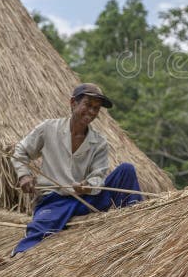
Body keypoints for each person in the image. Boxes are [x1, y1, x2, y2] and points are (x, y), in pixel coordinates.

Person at [10, 83, 143, 256]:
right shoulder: (48, 129)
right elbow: (20, 151)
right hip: (55, 200)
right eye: (87, 105)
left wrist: (88, 185)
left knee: (127, 170)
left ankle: (138, 227)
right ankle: (17, 257)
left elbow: (98, 175)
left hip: (86, 200)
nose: (91, 112)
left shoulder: (99, 143)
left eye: (96, 108)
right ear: (73, 103)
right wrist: (24, 176)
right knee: (41, 228)